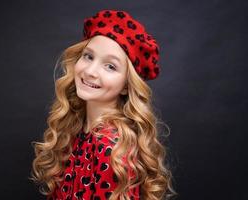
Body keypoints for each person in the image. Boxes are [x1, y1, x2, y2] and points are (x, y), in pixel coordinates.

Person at [31, 9, 177, 200]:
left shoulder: (109, 147)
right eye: (88, 56)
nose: (91, 71)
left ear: (126, 86)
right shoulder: (78, 130)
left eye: (110, 66)